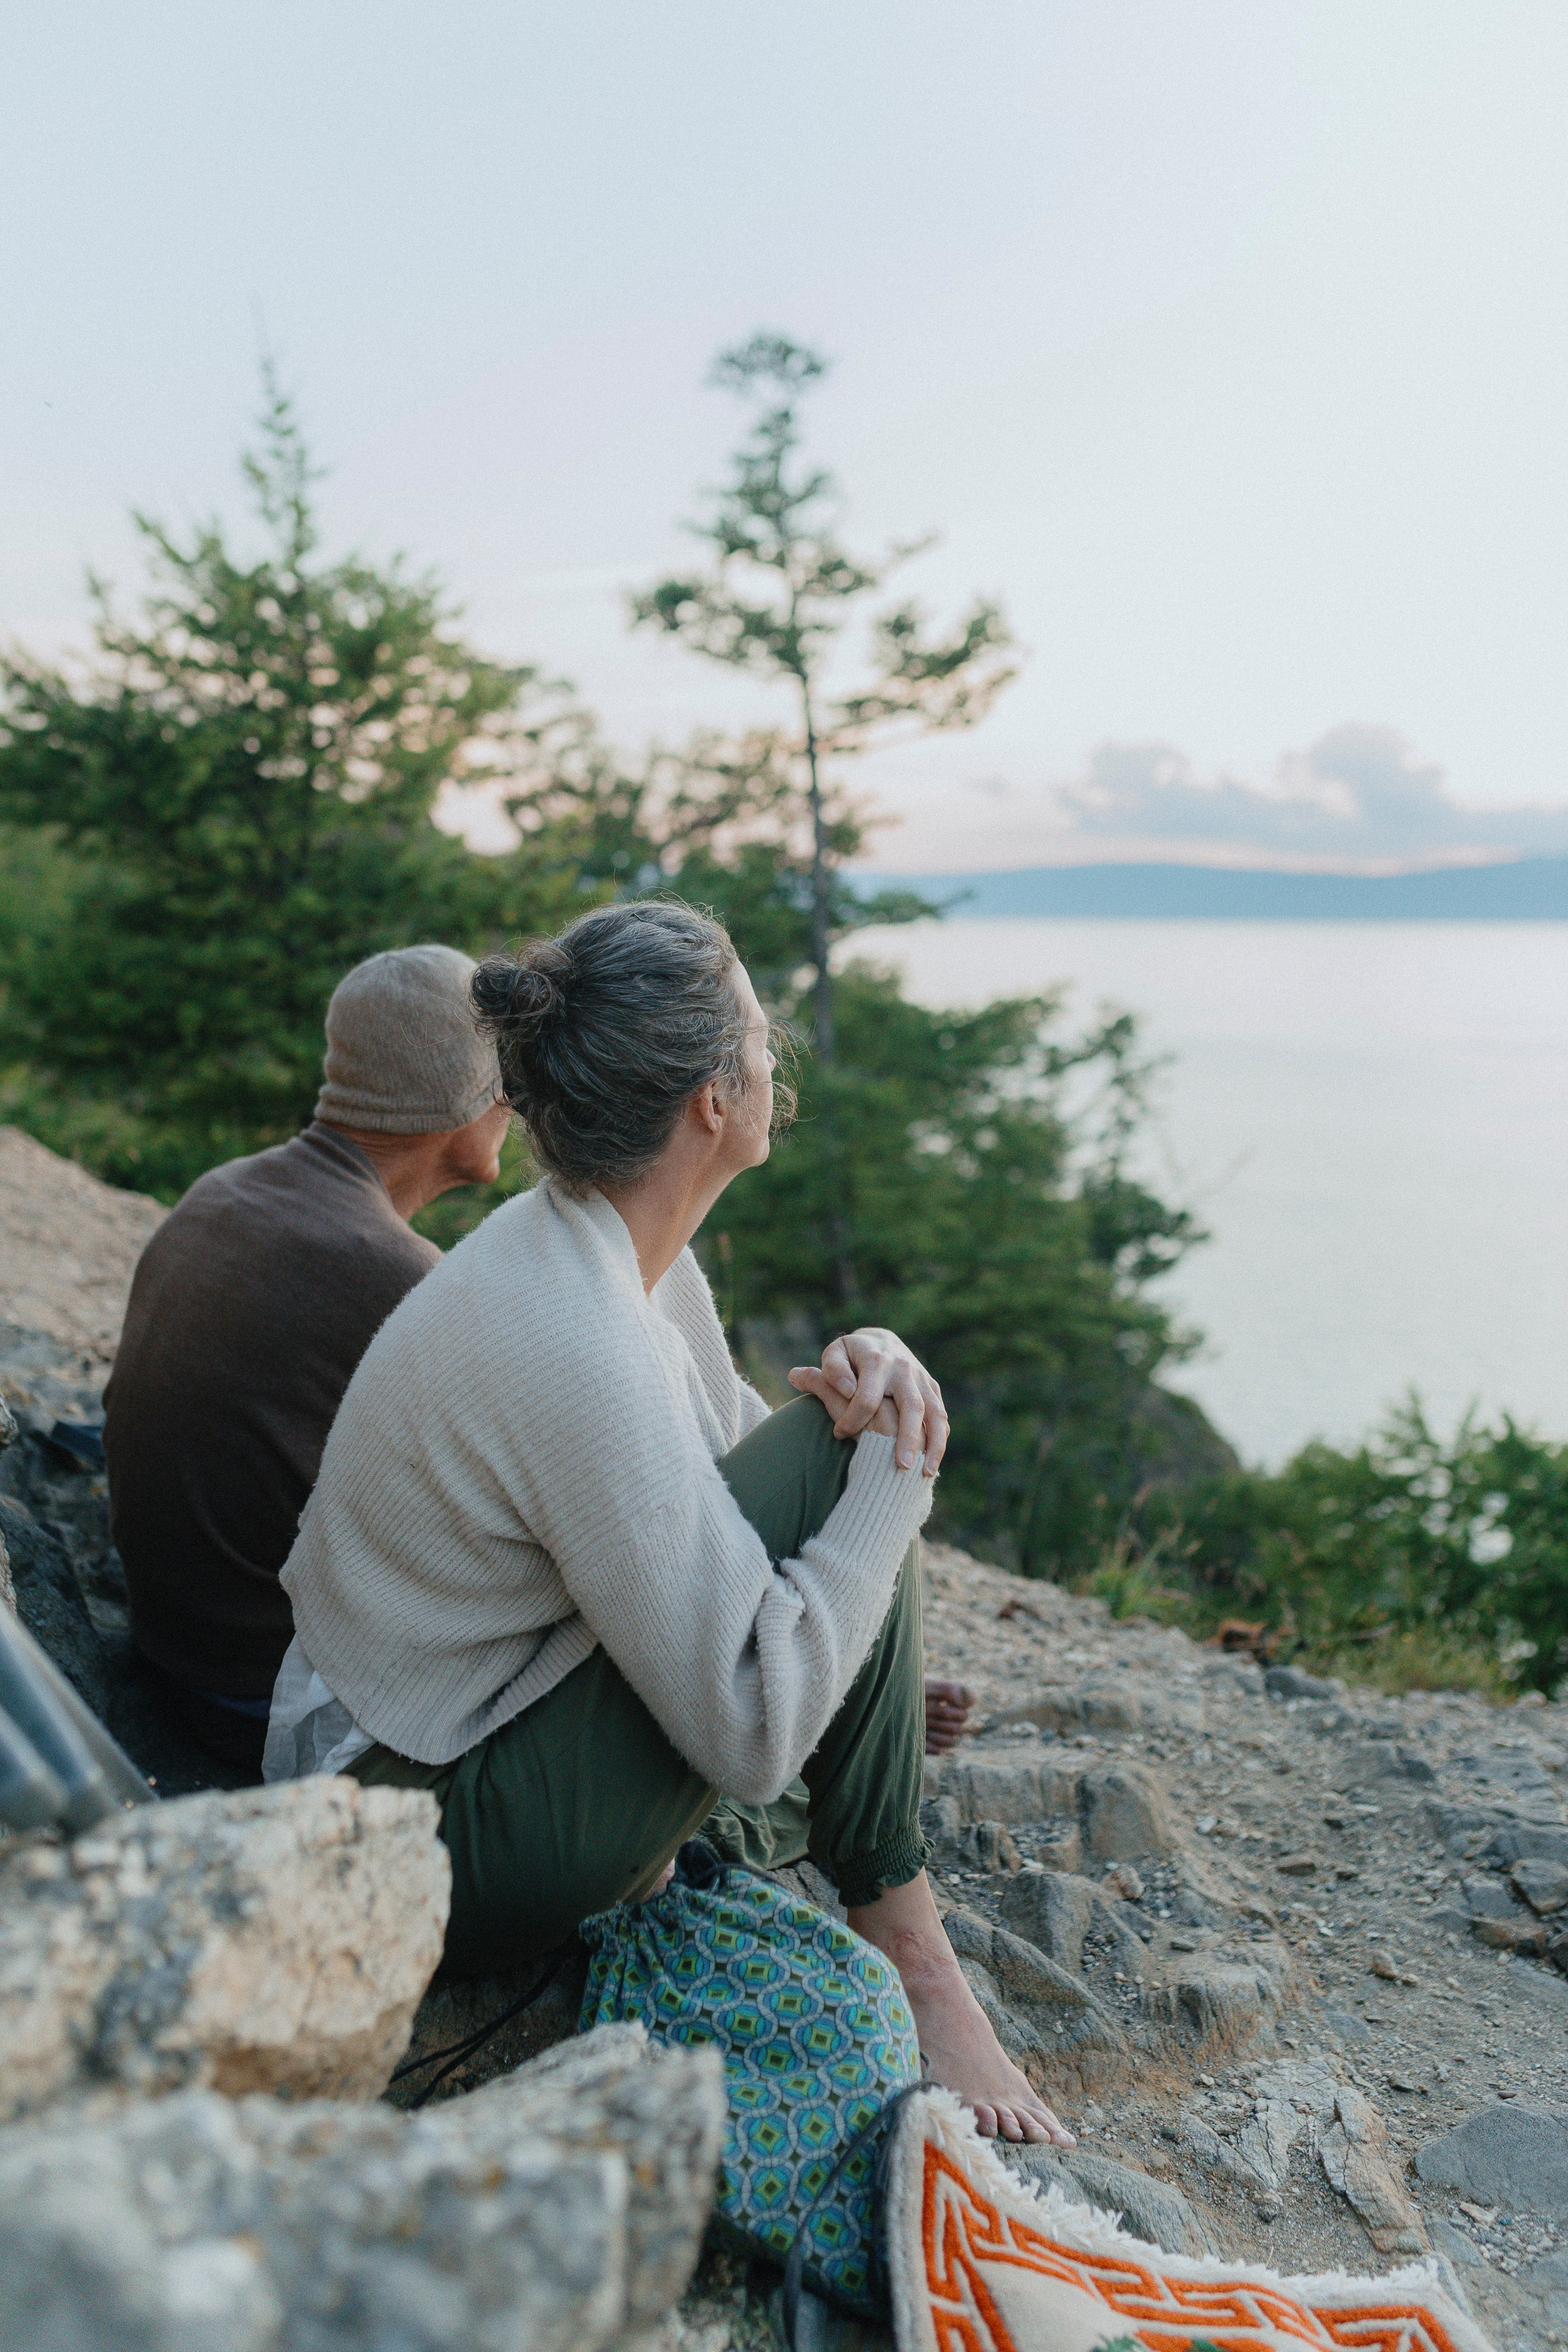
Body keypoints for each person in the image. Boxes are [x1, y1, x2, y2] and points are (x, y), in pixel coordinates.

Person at [265, 900, 1073, 2145]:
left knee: (846, 1451)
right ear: (710, 1097)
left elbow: (735, 1496)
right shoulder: (570, 1329)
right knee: (851, 1470)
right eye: (756, 1027)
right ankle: (914, 1954)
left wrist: (874, 1375)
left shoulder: (611, 1251)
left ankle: (860, 1842)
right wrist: (896, 1469)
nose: (773, 1046)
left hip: (469, 1729)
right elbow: (751, 1725)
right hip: (396, 1827)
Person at [103, 945, 511, 1775]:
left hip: (176, 1651)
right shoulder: (394, 1275)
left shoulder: (224, 1189)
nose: (516, 1103)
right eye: (508, 1079)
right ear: (460, 1100)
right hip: (259, 1706)